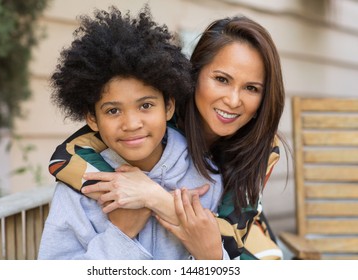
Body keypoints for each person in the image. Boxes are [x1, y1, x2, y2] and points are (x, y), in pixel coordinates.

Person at [48, 14, 286, 260]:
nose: (234, 100)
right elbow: (65, 157)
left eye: (251, 88)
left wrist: (154, 196)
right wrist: (118, 195)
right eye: (221, 79)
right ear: (195, 75)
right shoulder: (162, 113)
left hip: (246, 236)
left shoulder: (263, 147)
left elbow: (228, 243)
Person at [38, 6, 226, 260]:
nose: (131, 123)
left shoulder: (205, 176)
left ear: (168, 106)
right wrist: (120, 233)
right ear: (92, 118)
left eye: (146, 106)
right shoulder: (78, 187)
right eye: (113, 111)